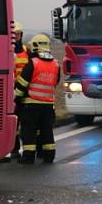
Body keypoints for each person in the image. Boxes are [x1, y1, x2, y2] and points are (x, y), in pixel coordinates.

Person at [14, 34, 61, 164]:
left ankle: (28, 157)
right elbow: (55, 82)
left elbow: (22, 84)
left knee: (28, 130)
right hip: (48, 105)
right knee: (47, 131)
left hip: (31, 105)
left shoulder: (32, 63)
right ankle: (49, 155)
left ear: (35, 46)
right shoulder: (56, 64)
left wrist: (17, 98)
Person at [10, 21, 29, 160]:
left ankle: (27, 149)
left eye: (18, 34)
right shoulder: (7, 51)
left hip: (25, 90)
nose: (16, 36)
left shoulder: (26, 50)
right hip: (11, 91)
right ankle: (14, 149)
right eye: (14, 34)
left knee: (26, 121)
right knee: (13, 123)